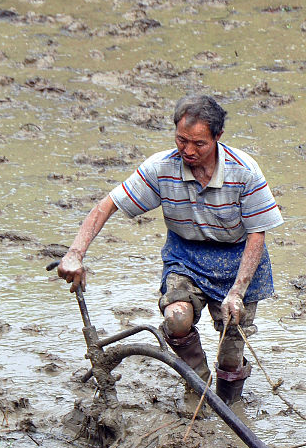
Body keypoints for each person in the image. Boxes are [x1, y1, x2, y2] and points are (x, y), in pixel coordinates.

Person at [56, 94, 282, 405]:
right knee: (176, 318)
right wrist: (75, 253)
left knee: (232, 350)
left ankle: (229, 407)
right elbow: (107, 205)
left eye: (199, 143)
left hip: (238, 258)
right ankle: (198, 386)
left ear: (218, 137)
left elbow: (258, 234)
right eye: (181, 140)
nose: (188, 151)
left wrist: (237, 291)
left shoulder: (244, 172)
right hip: (186, 256)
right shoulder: (162, 168)